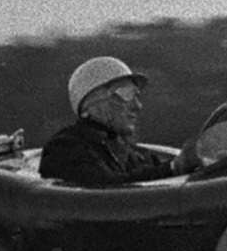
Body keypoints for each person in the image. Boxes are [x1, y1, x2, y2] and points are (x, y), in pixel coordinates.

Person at [39, 56, 179, 186]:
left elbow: (153, 169)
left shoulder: (132, 154)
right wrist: (175, 167)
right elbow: (106, 188)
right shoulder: (64, 149)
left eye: (137, 95)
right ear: (93, 101)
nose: (138, 106)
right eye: (127, 94)